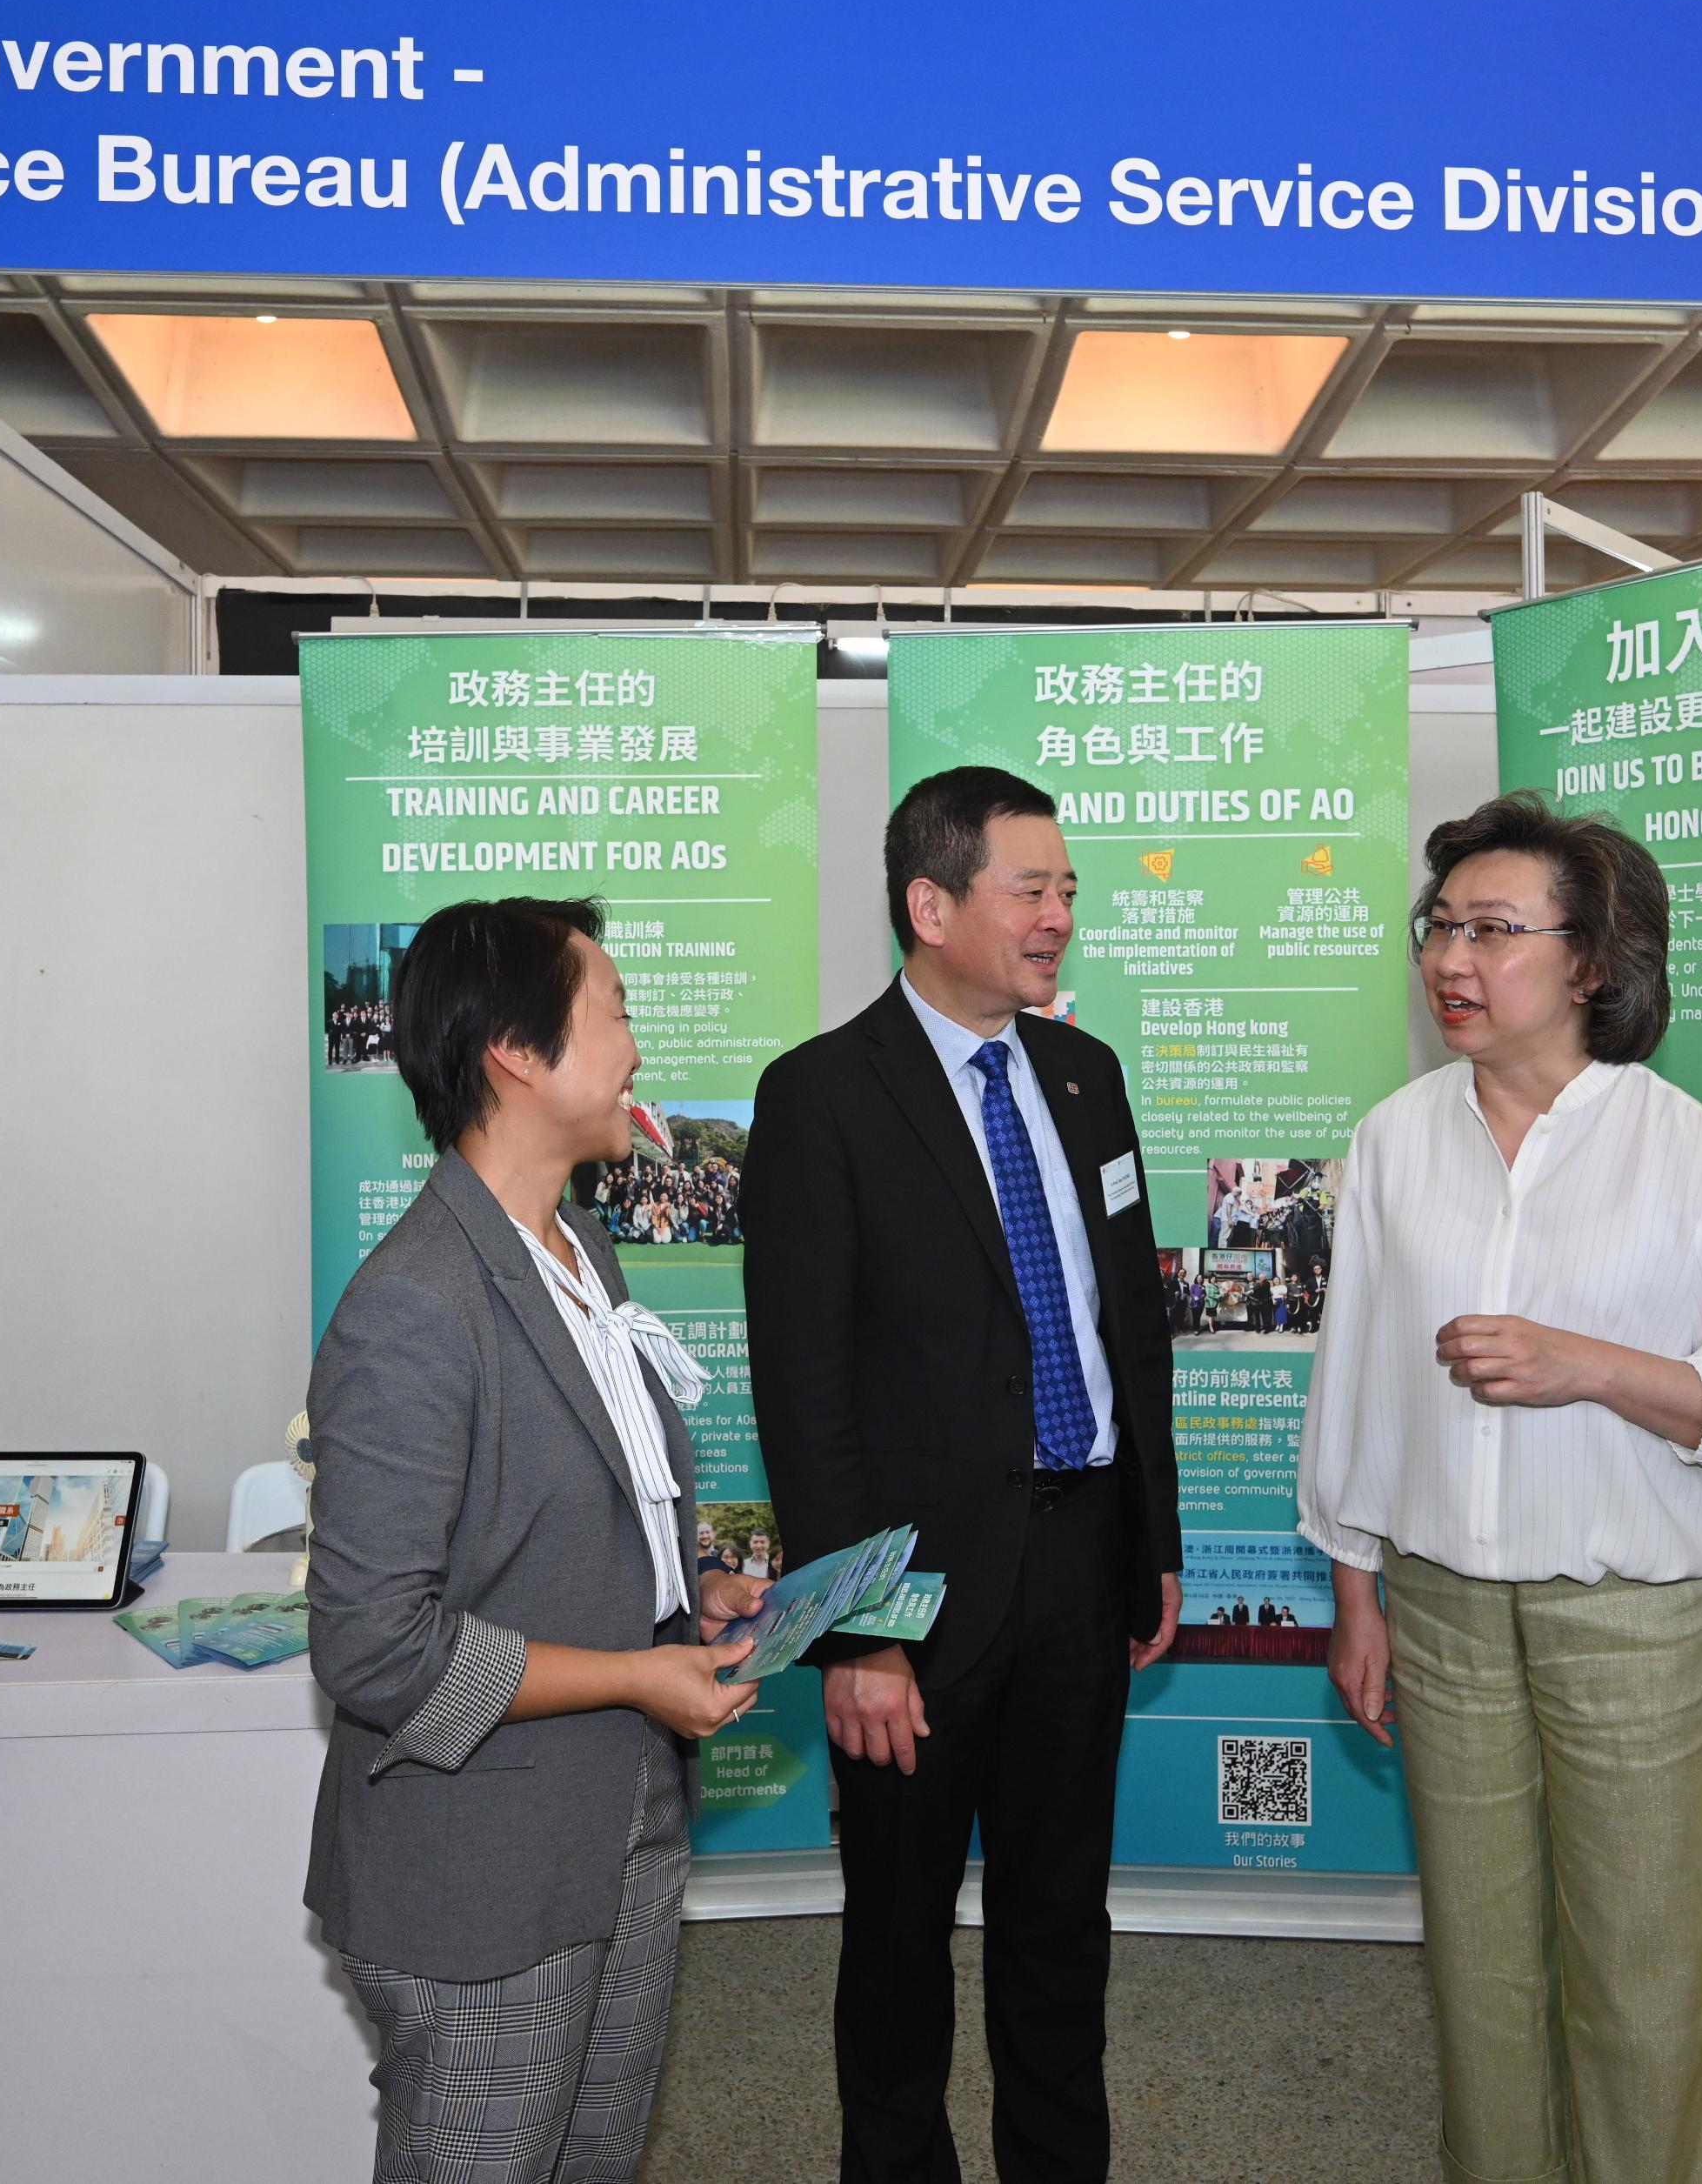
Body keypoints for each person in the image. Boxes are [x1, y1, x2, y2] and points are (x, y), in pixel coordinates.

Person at [1298, 792, 1702, 2184]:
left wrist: (1589, 1365)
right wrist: (1357, 1592)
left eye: (1491, 927)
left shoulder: (1686, 1151)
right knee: (1480, 1972)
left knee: (1641, 1975)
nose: (1450, 958)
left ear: (1593, 961)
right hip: (1441, 1608)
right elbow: (1352, 1383)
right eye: (1439, 925)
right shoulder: (1396, 1138)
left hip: (1635, 1613)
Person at [745, 764, 1182, 2184]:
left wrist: (1149, 1540)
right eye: (1030, 888)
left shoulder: (1084, 1073)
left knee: (1063, 1929)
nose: (1060, 915)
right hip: (915, 1599)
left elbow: (1132, 1330)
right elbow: (803, 1398)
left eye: (1066, 888)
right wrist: (857, 1631)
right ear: (930, 904)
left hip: (1080, 1569)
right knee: (897, 1941)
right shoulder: (820, 1096)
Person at [305, 895, 767, 2184]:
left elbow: (575, 1513)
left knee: (592, 2155)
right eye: (612, 1011)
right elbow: (372, 1645)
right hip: (481, 1869)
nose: (634, 1044)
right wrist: (633, 1671)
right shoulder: (415, 1302)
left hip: (617, 1816)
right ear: (515, 1048)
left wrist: (694, 1588)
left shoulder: (581, 1249)